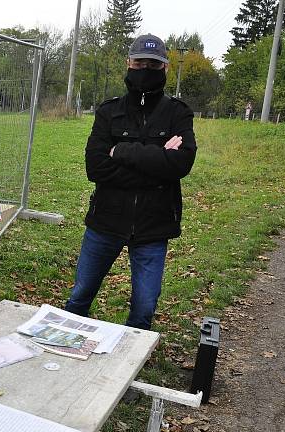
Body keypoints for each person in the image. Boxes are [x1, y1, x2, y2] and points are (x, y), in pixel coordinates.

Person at [65, 34, 197, 330]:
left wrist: (122, 151)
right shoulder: (109, 111)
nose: (145, 69)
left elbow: (181, 163)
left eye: (153, 64)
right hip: (106, 221)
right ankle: (64, 345)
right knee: (79, 297)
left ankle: (129, 364)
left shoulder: (178, 112)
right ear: (129, 63)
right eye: (140, 62)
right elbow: (96, 168)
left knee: (144, 308)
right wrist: (157, 163)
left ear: (164, 68)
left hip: (153, 225)